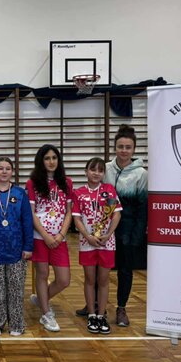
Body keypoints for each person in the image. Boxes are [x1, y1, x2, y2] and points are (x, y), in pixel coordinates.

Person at [0, 157, 33, 336]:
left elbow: (27, 221)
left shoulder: (20, 193)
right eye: (0, 168)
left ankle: (16, 324)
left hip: (16, 249)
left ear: (12, 172)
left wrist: (28, 247)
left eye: (7, 168)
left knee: (16, 289)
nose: (4, 172)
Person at [72, 158, 122, 335]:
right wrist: (87, 236)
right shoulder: (79, 193)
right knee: (90, 279)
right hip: (87, 243)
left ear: (103, 174)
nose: (96, 173)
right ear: (86, 171)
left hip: (107, 243)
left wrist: (108, 234)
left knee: (103, 280)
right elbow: (77, 218)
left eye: (100, 170)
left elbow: (116, 214)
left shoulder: (109, 190)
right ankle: (92, 315)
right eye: (93, 169)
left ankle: (101, 315)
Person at [27, 144, 73, 333]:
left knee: (64, 280)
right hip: (40, 237)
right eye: (47, 158)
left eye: (54, 158)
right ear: (41, 161)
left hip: (59, 238)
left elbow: (69, 212)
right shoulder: (32, 183)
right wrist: (45, 235)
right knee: (42, 274)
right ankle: (46, 313)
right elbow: (31, 212)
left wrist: (61, 234)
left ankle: (41, 299)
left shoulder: (66, 182)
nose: (51, 161)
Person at [106, 125, 147, 327]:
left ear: (134, 149)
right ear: (115, 147)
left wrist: (137, 236)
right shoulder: (105, 168)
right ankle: (94, 304)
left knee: (125, 270)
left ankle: (121, 308)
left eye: (128, 147)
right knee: (100, 268)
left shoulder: (141, 174)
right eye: (120, 146)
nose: (124, 150)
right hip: (104, 229)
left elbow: (143, 207)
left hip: (128, 231)